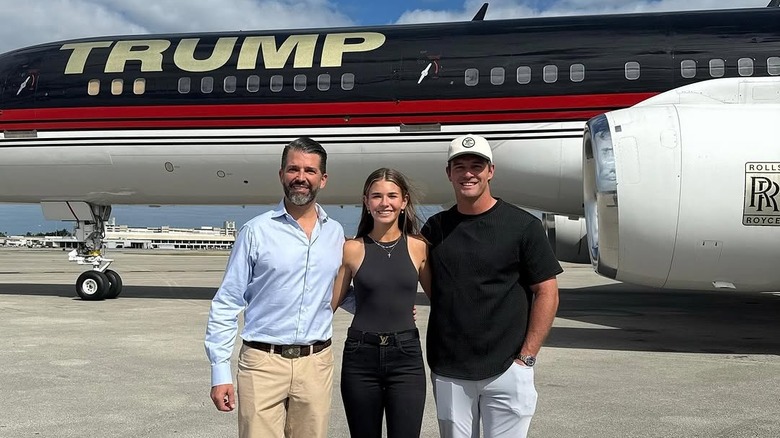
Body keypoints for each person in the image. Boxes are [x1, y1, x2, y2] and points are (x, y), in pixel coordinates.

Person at [421, 134, 563, 438]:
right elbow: (434, 286)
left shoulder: (523, 226)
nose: (468, 173)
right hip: (449, 370)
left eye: (477, 166)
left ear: (491, 171)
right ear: (449, 173)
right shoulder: (435, 228)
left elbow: (546, 291)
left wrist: (527, 357)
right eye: (460, 167)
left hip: (508, 369)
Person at [204, 137, 344, 438]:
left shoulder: (335, 233)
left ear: (323, 179)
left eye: (309, 171)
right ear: (282, 175)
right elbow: (227, 302)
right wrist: (220, 370)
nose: (301, 178)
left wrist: (392, 304)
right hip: (262, 364)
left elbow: (342, 290)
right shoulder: (256, 231)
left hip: (316, 364)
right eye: (293, 169)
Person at [331, 168, 431, 438]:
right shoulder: (352, 248)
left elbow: (442, 301)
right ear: (366, 202)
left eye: (392, 196)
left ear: (404, 201)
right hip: (360, 356)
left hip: (406, 357)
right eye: (376, 196)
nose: (384, 203)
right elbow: (330, 302)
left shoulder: (418, 247)